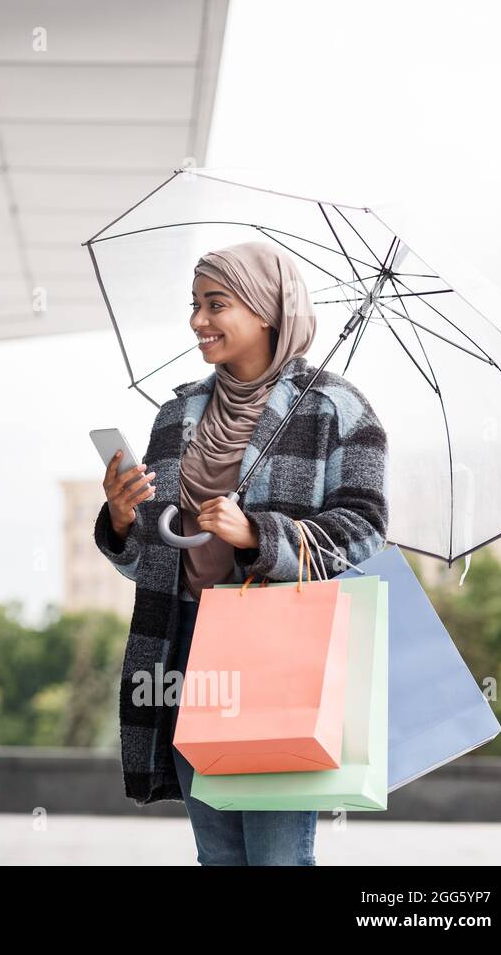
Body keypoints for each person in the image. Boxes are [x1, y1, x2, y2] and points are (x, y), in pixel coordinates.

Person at [94, 240, 390, 865]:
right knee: (219, 859)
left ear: (264, 309)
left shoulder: (338, 409)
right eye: (194, 305)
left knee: (278, 859)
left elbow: (365, 532)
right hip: (186, 645)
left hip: (282, 653)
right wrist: (123, 520)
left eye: (215, 304)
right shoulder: (178, 415)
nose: (197, 321)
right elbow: (155, 555)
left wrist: (259, 535)